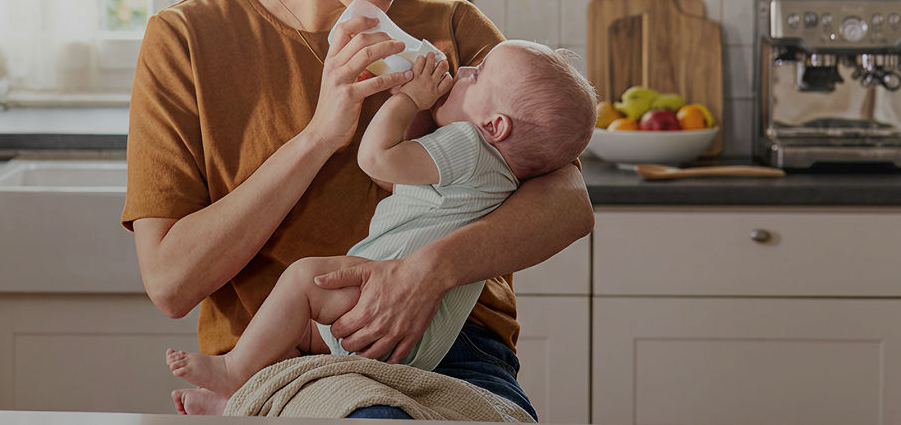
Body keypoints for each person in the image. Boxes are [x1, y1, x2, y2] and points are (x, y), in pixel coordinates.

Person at [122, 0, 594, 421]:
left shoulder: (457, 33)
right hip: (284, 355)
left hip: (459, 352)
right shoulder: (187, 42)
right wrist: (321, 133)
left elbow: (569, 202)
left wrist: (427, 271)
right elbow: (172, 282)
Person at [163, 40, 597, 412]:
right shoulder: (504, 175)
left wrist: (409, 100)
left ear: (495, 126)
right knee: (302, 341)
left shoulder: (468, 144)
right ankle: (236, 404)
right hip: (428, 339)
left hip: (377, 307)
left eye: (477, 75)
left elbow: (376, 160)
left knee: (302, 280)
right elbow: (399, 182)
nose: (464, 69)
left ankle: (234, 372)